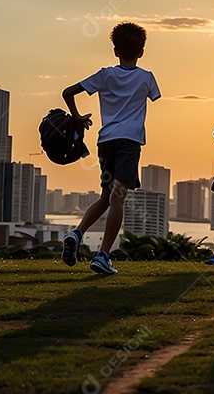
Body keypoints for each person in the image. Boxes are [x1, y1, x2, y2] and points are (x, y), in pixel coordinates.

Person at [61, 22, 160, 275]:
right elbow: (154, 97)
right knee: (118, 197)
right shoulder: (147, 78)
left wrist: (77, 116)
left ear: (115, 50)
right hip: (129, 141)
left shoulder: (105, 75)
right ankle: (103, 255)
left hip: (105, 142)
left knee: (107, 197)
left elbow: (68, 92)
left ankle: (77, 232)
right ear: (142, 52)